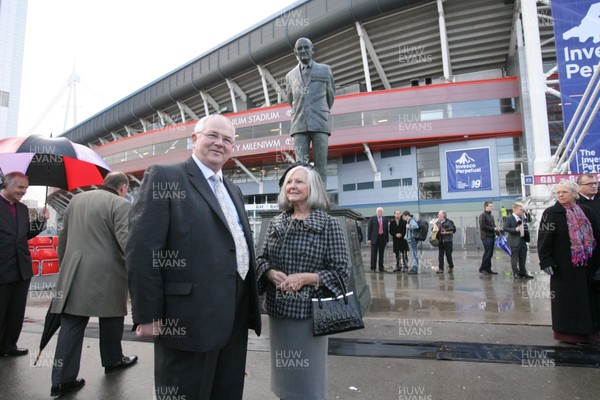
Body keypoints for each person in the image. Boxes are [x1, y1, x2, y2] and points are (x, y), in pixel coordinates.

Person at [127, 115, 262, 400]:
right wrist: (149, 316)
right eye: (212, 135)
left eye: (227, 140)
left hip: (233, 318)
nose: (219, 143)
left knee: (225, 391)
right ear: (194, 139)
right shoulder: (165, 177)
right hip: (186, 321)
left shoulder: (233, 190)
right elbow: (143, 250)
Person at [256, 163, 348, 400]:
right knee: (284, 377)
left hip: (310, 316)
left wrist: (307, 278)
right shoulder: (277, 223)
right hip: (278, 313)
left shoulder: (329, 225)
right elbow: (261, 259)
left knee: (308, 380)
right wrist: (269, 273)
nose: (292, 186)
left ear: (312, 187)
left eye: (298, 181)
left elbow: (341, 272)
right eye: (288, 181)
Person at [50, 172, 135, 397]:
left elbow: (63, 236)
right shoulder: (120, 204)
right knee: (112, 317)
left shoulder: (75, 200)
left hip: (74, 271)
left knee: (71, 325)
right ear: (123, 188)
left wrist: (65, 268)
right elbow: (127, 243)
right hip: (109, 272)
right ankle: (113, 359)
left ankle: (62, 380)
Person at [538, 180, 600, 344]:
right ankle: (566, 334)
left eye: (564, 192)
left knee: (587, 301)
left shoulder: (587, 212)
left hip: (586, 267)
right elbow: (544, 240)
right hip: (563, 268)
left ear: (574, 193)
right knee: (565, 303)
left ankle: (588, 333)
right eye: (558, 192)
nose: (561, 195)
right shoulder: (551, 213)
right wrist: (546, 261)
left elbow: (597, 238)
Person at [0, 172, 48, 357]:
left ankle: (8, 345)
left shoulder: (22, 209)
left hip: (22, 269)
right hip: (2, 268)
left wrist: (40, 221)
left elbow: (23, 235)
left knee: (16, 311)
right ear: (6, 183)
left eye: (26, 188)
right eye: (20, 187)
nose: (24, 191)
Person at [285, 37, 335, 185]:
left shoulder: (325, 70)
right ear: (295, 52)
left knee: (321, 164)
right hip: (299, 125)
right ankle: (304, 197)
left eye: (306, 47)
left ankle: (321, 199)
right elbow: (291, 100)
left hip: (320, 122)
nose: (303, 51)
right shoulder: (290, 76)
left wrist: (319, 111)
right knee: (301, 165)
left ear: (312, 49)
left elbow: (330, 97)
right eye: (299, 49)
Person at [503, 203, 533, 280]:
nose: (521, 211)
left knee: (523, 258)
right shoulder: (510, 218)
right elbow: (505, 228)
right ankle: (516, 273)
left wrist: (526, 213)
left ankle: (523, 273)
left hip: (523, 240)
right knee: (514, 259)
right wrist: (515, 229)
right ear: (515, 209)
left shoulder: (522, 217)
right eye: (520, 209)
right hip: (514, 241)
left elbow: (530, 220)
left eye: (522, 209)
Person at [479, 201, 501, 275]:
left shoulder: (491, 216)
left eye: (492, 206)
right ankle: (483, 269)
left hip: (491, 236)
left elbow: (493, 226)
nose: (492, 207)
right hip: (486, 236)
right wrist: (493, 229)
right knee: (487, 253)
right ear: (486, 206)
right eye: (490, 206)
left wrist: (497, 231)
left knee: (490, 253)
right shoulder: (482, 215)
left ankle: (488, 269)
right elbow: (483, 226)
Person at [367, 207, 388, 272]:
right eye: (379, 211)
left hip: (382, 238)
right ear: (376, 212)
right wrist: (369, 239)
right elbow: (369, 229)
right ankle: (373, 268)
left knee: (381, 254)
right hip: (374, 239)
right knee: (373, 254)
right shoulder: (372, 218)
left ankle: (381, 267)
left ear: (382, 212)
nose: (380, 213)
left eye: (381, 211)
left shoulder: (385, 219)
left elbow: (386, 230)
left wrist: (387, 240)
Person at [435, 210, 456, 274]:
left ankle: (451, 266)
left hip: (448, 241)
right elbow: (434, 229)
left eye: (440, 214)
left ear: (443, 215)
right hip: (440, 241)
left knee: (448, 255)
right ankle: (441, 268)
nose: (438, 216)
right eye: (438, 214)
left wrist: (445, 231)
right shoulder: (437, 222)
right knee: (440, 255)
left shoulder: (449, 222)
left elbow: (453, 230)